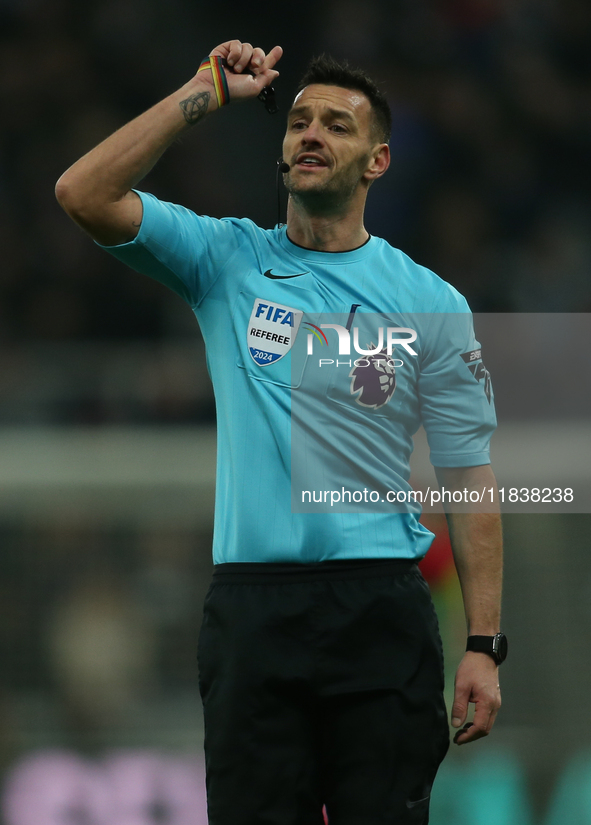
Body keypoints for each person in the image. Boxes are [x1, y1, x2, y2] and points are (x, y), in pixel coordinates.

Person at [56, 39, 504, 825]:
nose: (310, 134)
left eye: (336, 124)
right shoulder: (224, 260)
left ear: (377, 162)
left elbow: (469, 478)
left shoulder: (430, 301)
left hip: (379, 610)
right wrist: (203, 91)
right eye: (298, 120)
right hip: (253, 612)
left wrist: (484, 643)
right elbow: (82, 191)